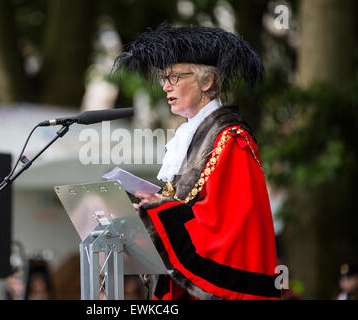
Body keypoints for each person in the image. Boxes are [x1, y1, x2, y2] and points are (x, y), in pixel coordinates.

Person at [113, 23, 280, 300]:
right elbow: (189, 206)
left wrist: (155, 215)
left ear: (207, 81)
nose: (166, 86)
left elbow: (227, 224)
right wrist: (155, 203)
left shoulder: (231, 139)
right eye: (164, 78)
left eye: (176, 76)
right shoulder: (189, 137)